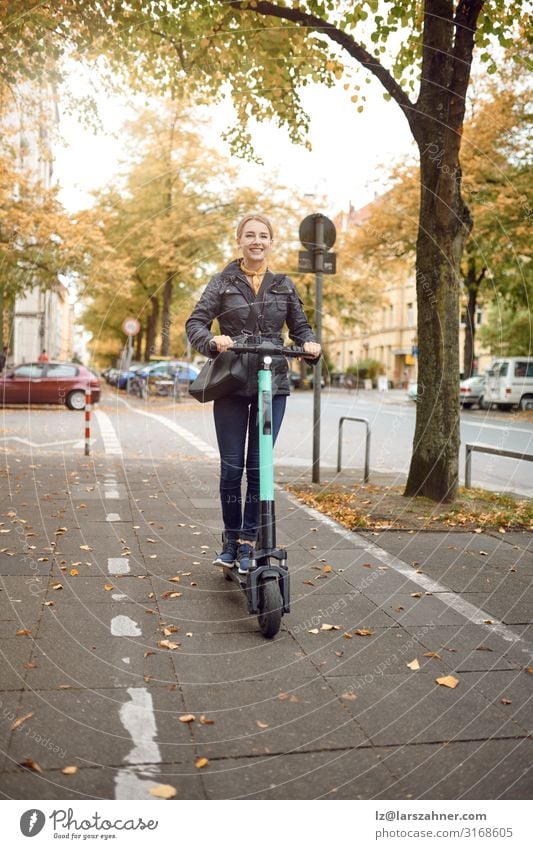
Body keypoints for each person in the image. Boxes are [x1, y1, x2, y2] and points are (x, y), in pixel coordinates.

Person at [186, 213, 321, 574]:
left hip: (271, 385)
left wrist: (309, 344)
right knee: (232, 468)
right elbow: (195, 322)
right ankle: (231, 541)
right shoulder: (223, 282)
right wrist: (212, 341)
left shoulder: (284, 285)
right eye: (250, 235)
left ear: (271, 242)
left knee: (259, 467)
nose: (256, 240)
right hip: (230, 383)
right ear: (239, 241)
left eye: (263, 235)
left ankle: (249, 542)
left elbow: (301, 327)